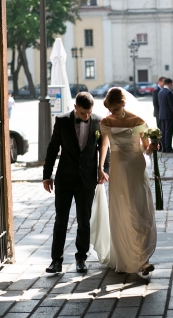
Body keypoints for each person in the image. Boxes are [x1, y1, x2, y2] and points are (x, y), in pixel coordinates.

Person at [42, 92, 110, 274]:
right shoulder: (62, 121)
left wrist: (105, 169)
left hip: (87, 179)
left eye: (88, 113)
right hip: (65, 178)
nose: (86, 117)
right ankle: (56, 261)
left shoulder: (98, 121)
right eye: (82, 114)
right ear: (75, 108)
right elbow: (53, 147)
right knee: (61, 220)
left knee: (84, 221)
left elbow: (104, 147)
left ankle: (81, 258)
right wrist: (46, 175)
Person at [97, 87, 158, 275]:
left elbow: (146, 149)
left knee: (140, 211)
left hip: (136, 168)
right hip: (118, 169)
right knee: (121, 210)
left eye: (115, 109)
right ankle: (124, 256)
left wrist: (153, 147)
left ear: (123, 104)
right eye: (110, 109)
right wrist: (100, 168)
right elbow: (105, 145)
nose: (111, 112)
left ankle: (143, 259)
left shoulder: (138, 121)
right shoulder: (106, 122)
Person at [158, 78, 173, 153]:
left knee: (163, 131)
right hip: (168, 115)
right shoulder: (168, 92)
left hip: (162, 114)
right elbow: (171, 105)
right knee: (168, 132)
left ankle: (163, 147)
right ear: (170, 83)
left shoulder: (160, 92)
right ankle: (168, 148)